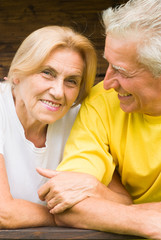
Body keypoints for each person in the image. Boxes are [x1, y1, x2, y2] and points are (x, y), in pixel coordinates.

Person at [37, 0, 161, 239]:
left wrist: (110, 207)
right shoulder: (101, 101)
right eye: (109, 64)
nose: (107, 83)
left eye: (122, 71)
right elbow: (68, 204)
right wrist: (147, 221)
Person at [0, 25, 98, 228]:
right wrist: (72, 216)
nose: (58, 92)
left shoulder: (80, 118)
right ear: (17, 73)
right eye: (47, 73)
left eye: (71, 81)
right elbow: (3, 212)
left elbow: (119, 200)